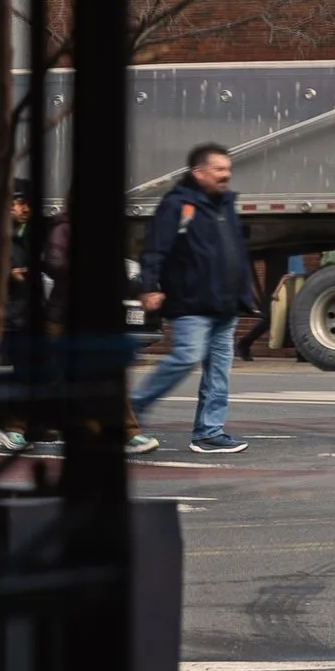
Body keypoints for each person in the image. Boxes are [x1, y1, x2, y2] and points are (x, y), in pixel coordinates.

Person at [128, 142, 250, 456]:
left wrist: (243, 293)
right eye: (219, 169)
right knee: (184, 358)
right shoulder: (178, 205)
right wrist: (149, 286)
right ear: (198, 173)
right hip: (191, 304)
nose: (226, 175)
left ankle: (209, 433)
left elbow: (234, 253)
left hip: (224, 304)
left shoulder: (224, 206)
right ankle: (129, 411)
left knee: (219, 371)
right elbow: (155, 249)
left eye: (227, 169)